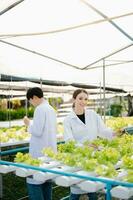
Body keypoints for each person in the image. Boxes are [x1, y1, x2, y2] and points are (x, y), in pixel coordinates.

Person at [63, 89, 114, 200]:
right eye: (80, 98)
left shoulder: (93, 115)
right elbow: (69, 141)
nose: (83, 101)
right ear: (74, 99)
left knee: (92, 189)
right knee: (76, 192)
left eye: (86, 99)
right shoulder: (68, 120)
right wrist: (83, 147)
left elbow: (103, 131)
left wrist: (114, 133)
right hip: (77, 158)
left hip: (93, 157)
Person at [23, 87, 57, 200]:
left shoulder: (40, 109)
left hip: (39, 152)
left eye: (30, 101)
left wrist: (28, 124)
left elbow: (37, 131)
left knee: (34, 180)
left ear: (34, 97)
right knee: (46, 180)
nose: (31, 103)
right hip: (49, 151)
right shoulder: (51, 109)